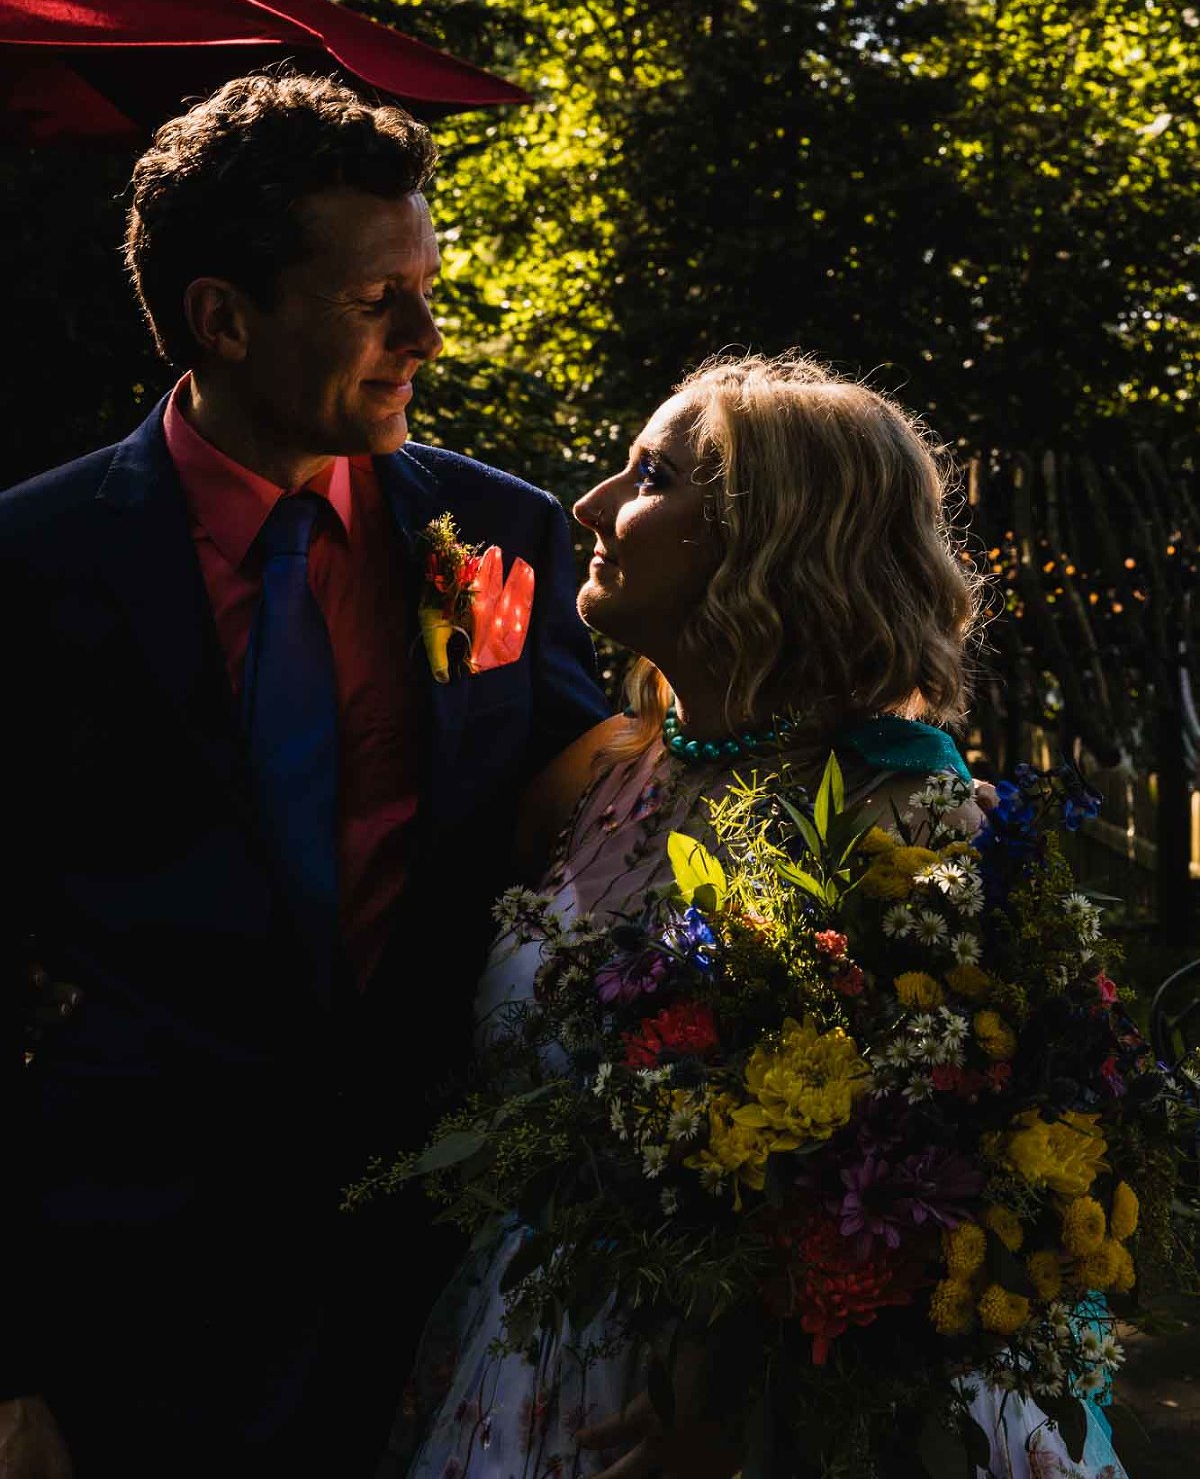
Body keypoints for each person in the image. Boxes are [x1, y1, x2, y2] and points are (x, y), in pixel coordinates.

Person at [0, 72, 608, 1479]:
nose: (428, 336)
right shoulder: (32, 571)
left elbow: (587, 815)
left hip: (447, 1278)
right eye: (376, 299)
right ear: (222, 317)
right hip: (138, 1295)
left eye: (429, 287)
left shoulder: (495, 532)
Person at [393, 351, 1130, 1479]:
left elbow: (934, 1198)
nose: (591, 505)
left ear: (772, 537)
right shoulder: (590, 775)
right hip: (537, 1363)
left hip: (786, 1416)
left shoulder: (916, 827)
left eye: (648, 478)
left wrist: (731, 1417)